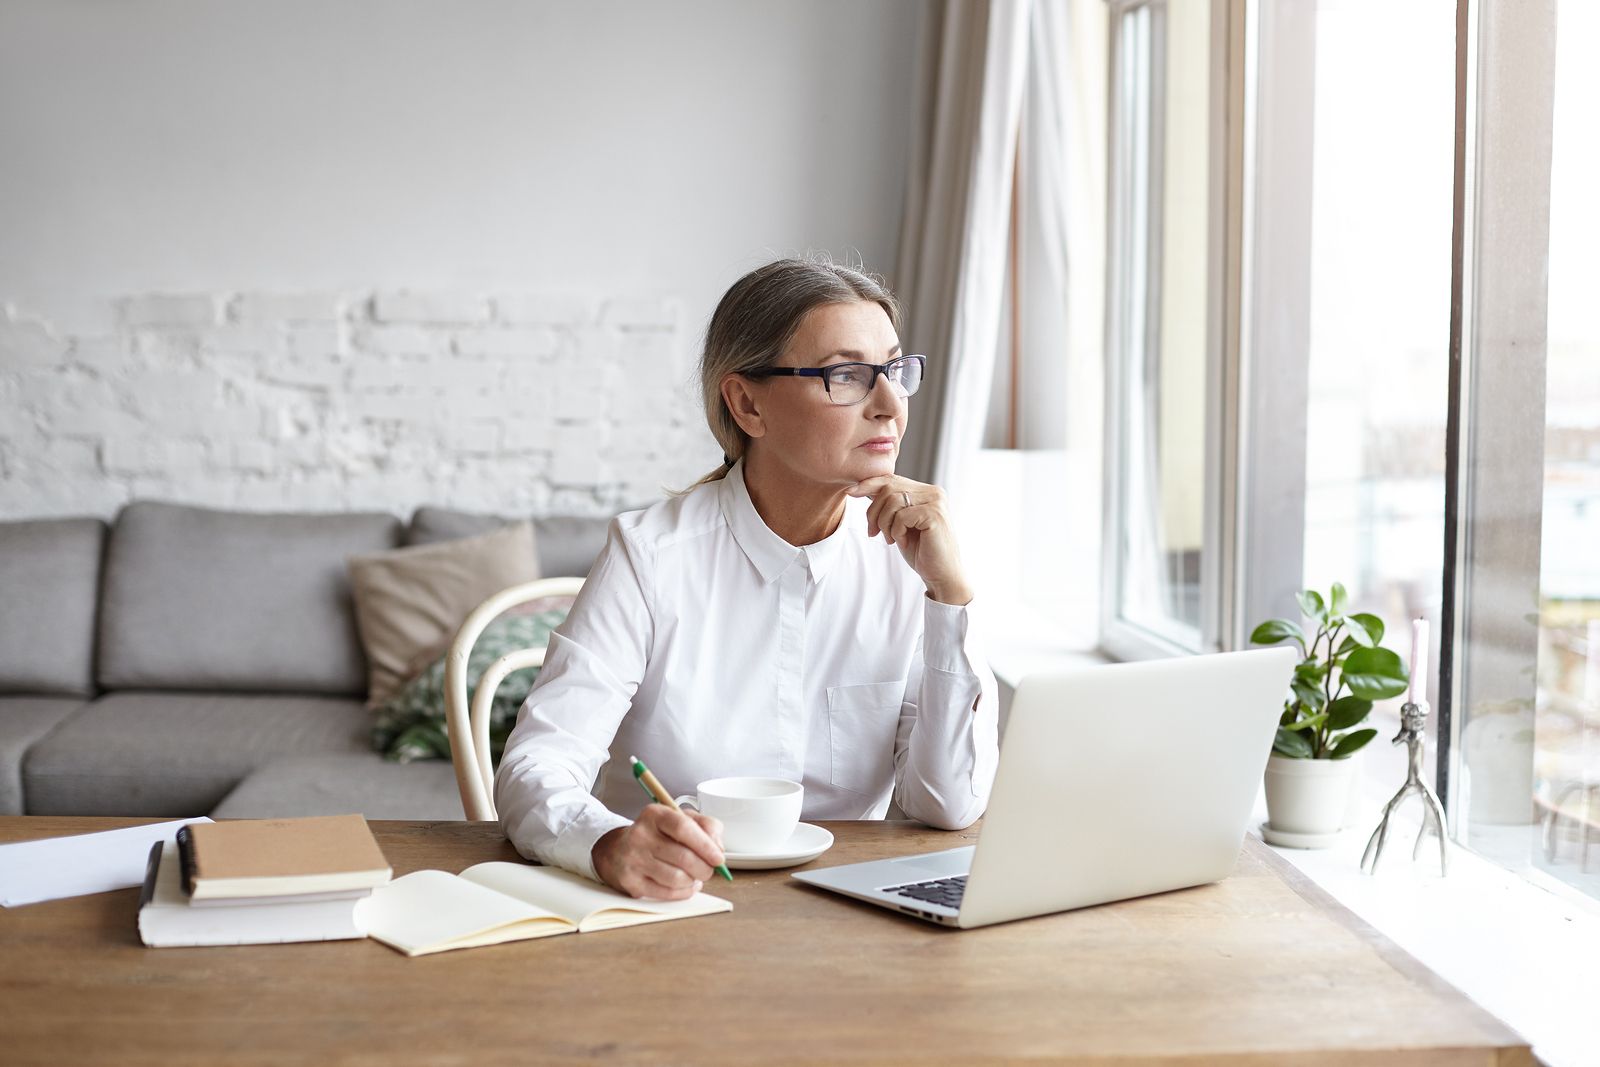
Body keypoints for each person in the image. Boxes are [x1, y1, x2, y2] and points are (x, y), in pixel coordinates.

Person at [494, 256, 999, 900]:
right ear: (746, 404)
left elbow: (947, 806)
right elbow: (539, 763)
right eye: (846, 374)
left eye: (895, 371)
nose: (889, 404)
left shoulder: (912, 558)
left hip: (850, 913)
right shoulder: (651, 556)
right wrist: (608, 844)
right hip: (676, 905)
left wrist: (952, 600)